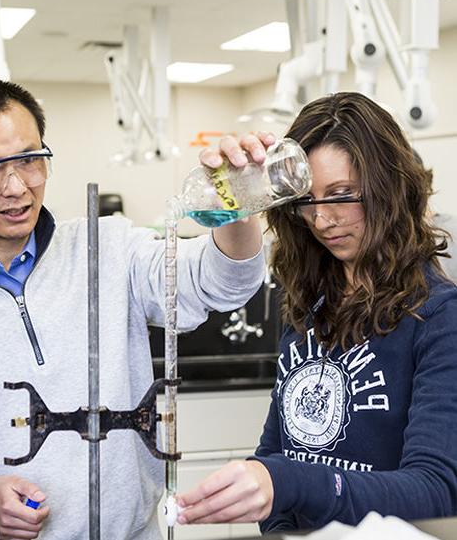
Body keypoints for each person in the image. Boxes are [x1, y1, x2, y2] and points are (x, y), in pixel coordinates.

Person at [0, 78, 267, 539]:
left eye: (30, 160)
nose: (16, 187)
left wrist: (237, 207)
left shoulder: (110, 247)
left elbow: (220, 282)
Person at [176, 92, 457, 532]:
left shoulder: (440, 317)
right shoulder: (310, 306)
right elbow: (276, 451)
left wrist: (287, 483)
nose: (323, 219)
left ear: (389, 189)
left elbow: (435, 491)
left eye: (342, 195)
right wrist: (270, 505)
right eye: (308, 200)